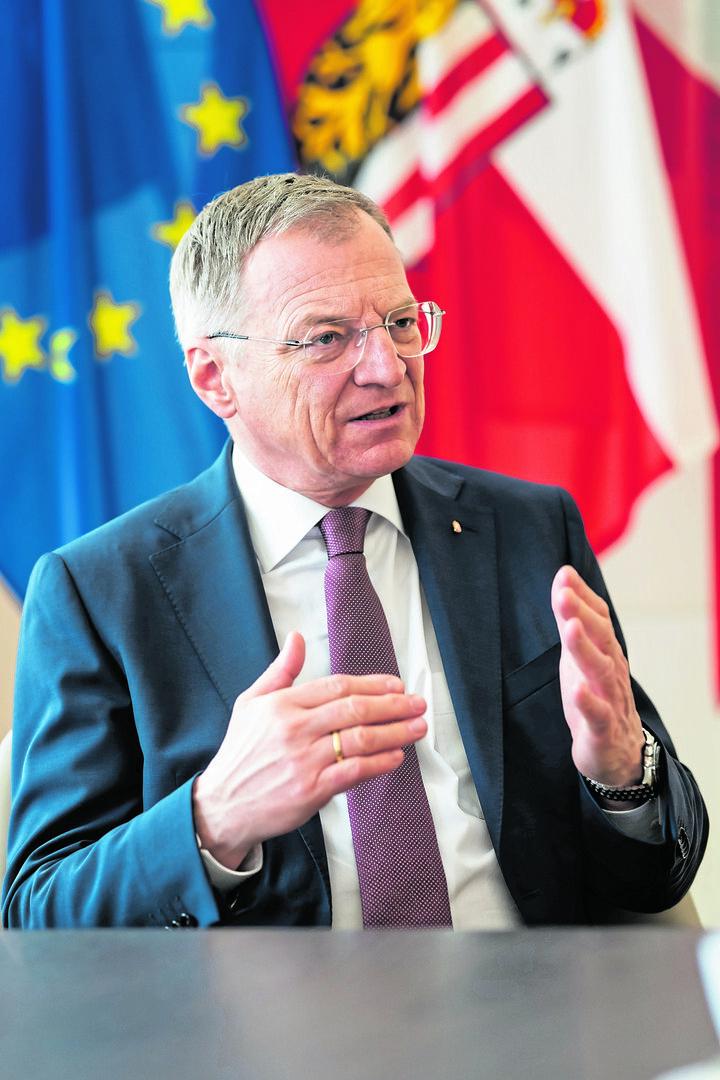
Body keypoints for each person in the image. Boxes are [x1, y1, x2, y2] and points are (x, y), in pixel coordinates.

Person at [2, 173, 707, 929]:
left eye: (400, 322)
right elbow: (38, 911)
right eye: (327, 338)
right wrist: (214, 818)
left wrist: (622, 777)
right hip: (267, 1005)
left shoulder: (528, 528)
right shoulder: (101, 592)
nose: (388, 366)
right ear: (215, 378)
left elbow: (656, 877)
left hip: (527, 988)